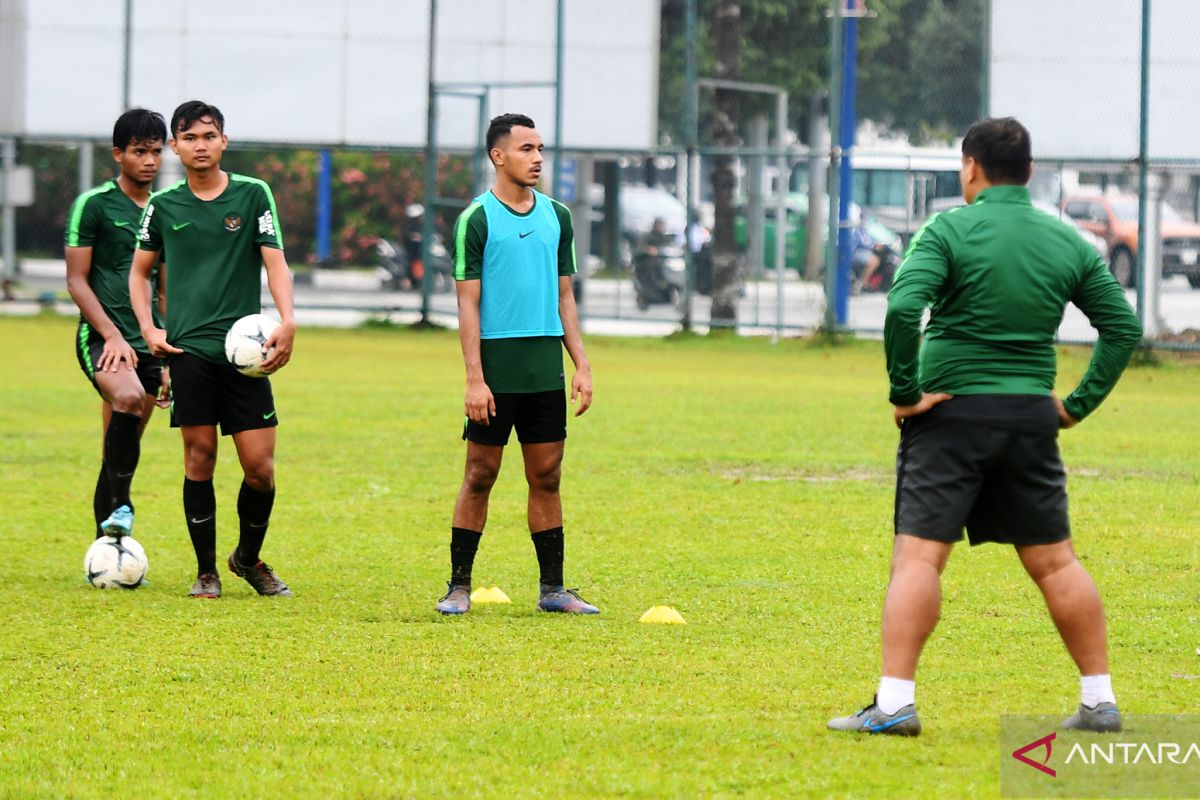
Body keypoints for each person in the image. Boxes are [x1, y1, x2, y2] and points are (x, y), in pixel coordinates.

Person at [828, 117, 1142, 736]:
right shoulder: (1068, 242)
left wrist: (904, 391)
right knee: (1056, 563)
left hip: (950, 414)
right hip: (1029, 416)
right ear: (1028, 172)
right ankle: (1100, 701)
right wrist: (1074, 405)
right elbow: (1122, 328)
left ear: (970, 167)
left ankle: (893, 706)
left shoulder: (949, 228)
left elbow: (900, 307)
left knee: (918, 559)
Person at [129, 100, 297, 599]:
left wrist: (288, 321)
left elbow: (275, 262)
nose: (199, 146)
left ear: (224, 141)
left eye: (209, 136)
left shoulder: (252, 195)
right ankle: (207, 572)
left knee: (260, 468)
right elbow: (139, 273)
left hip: (247, 352)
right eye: (189, 138)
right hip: (189, 354)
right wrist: (149, 330)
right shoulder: (164, 206)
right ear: (175, 147)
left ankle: (247, 558)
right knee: (198, 459)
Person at [437, 112, 597, 615]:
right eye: (527, 149)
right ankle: (458, 586)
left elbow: (565, 298)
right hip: (497, 367)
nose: (538, 158)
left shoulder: (558, 216)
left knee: (547, 475)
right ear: (498, 156)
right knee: (480, 473)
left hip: (542, 365)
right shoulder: (477, 219)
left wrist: (582, 366)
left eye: (541, 149)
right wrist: (474, 379)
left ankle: (553, 590)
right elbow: (467, 304)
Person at [65, 108, 169, 541]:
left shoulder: (166, 209)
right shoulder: (94, 205)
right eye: (139, 151)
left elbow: (166, 289)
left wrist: (167, 352)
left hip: (150, 343)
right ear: (118, 154)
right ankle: (124, 507)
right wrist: (111, 334)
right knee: (126, 398)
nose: (149, 161)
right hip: (103, 338)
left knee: (121, 448)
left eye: (156, 152)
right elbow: (75, 280)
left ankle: (109, 547)